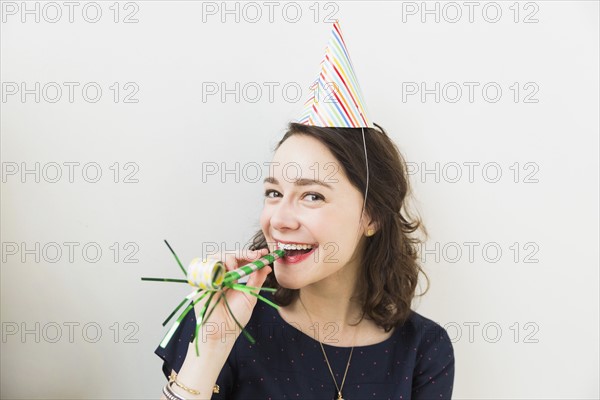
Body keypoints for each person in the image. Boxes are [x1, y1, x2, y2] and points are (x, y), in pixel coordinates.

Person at [156, 21, 455, 400]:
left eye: (312, 196)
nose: (279, 219)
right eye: (273, 192)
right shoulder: (217, 318)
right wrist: (214, 343)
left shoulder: (424, 349)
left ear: (372, 216)